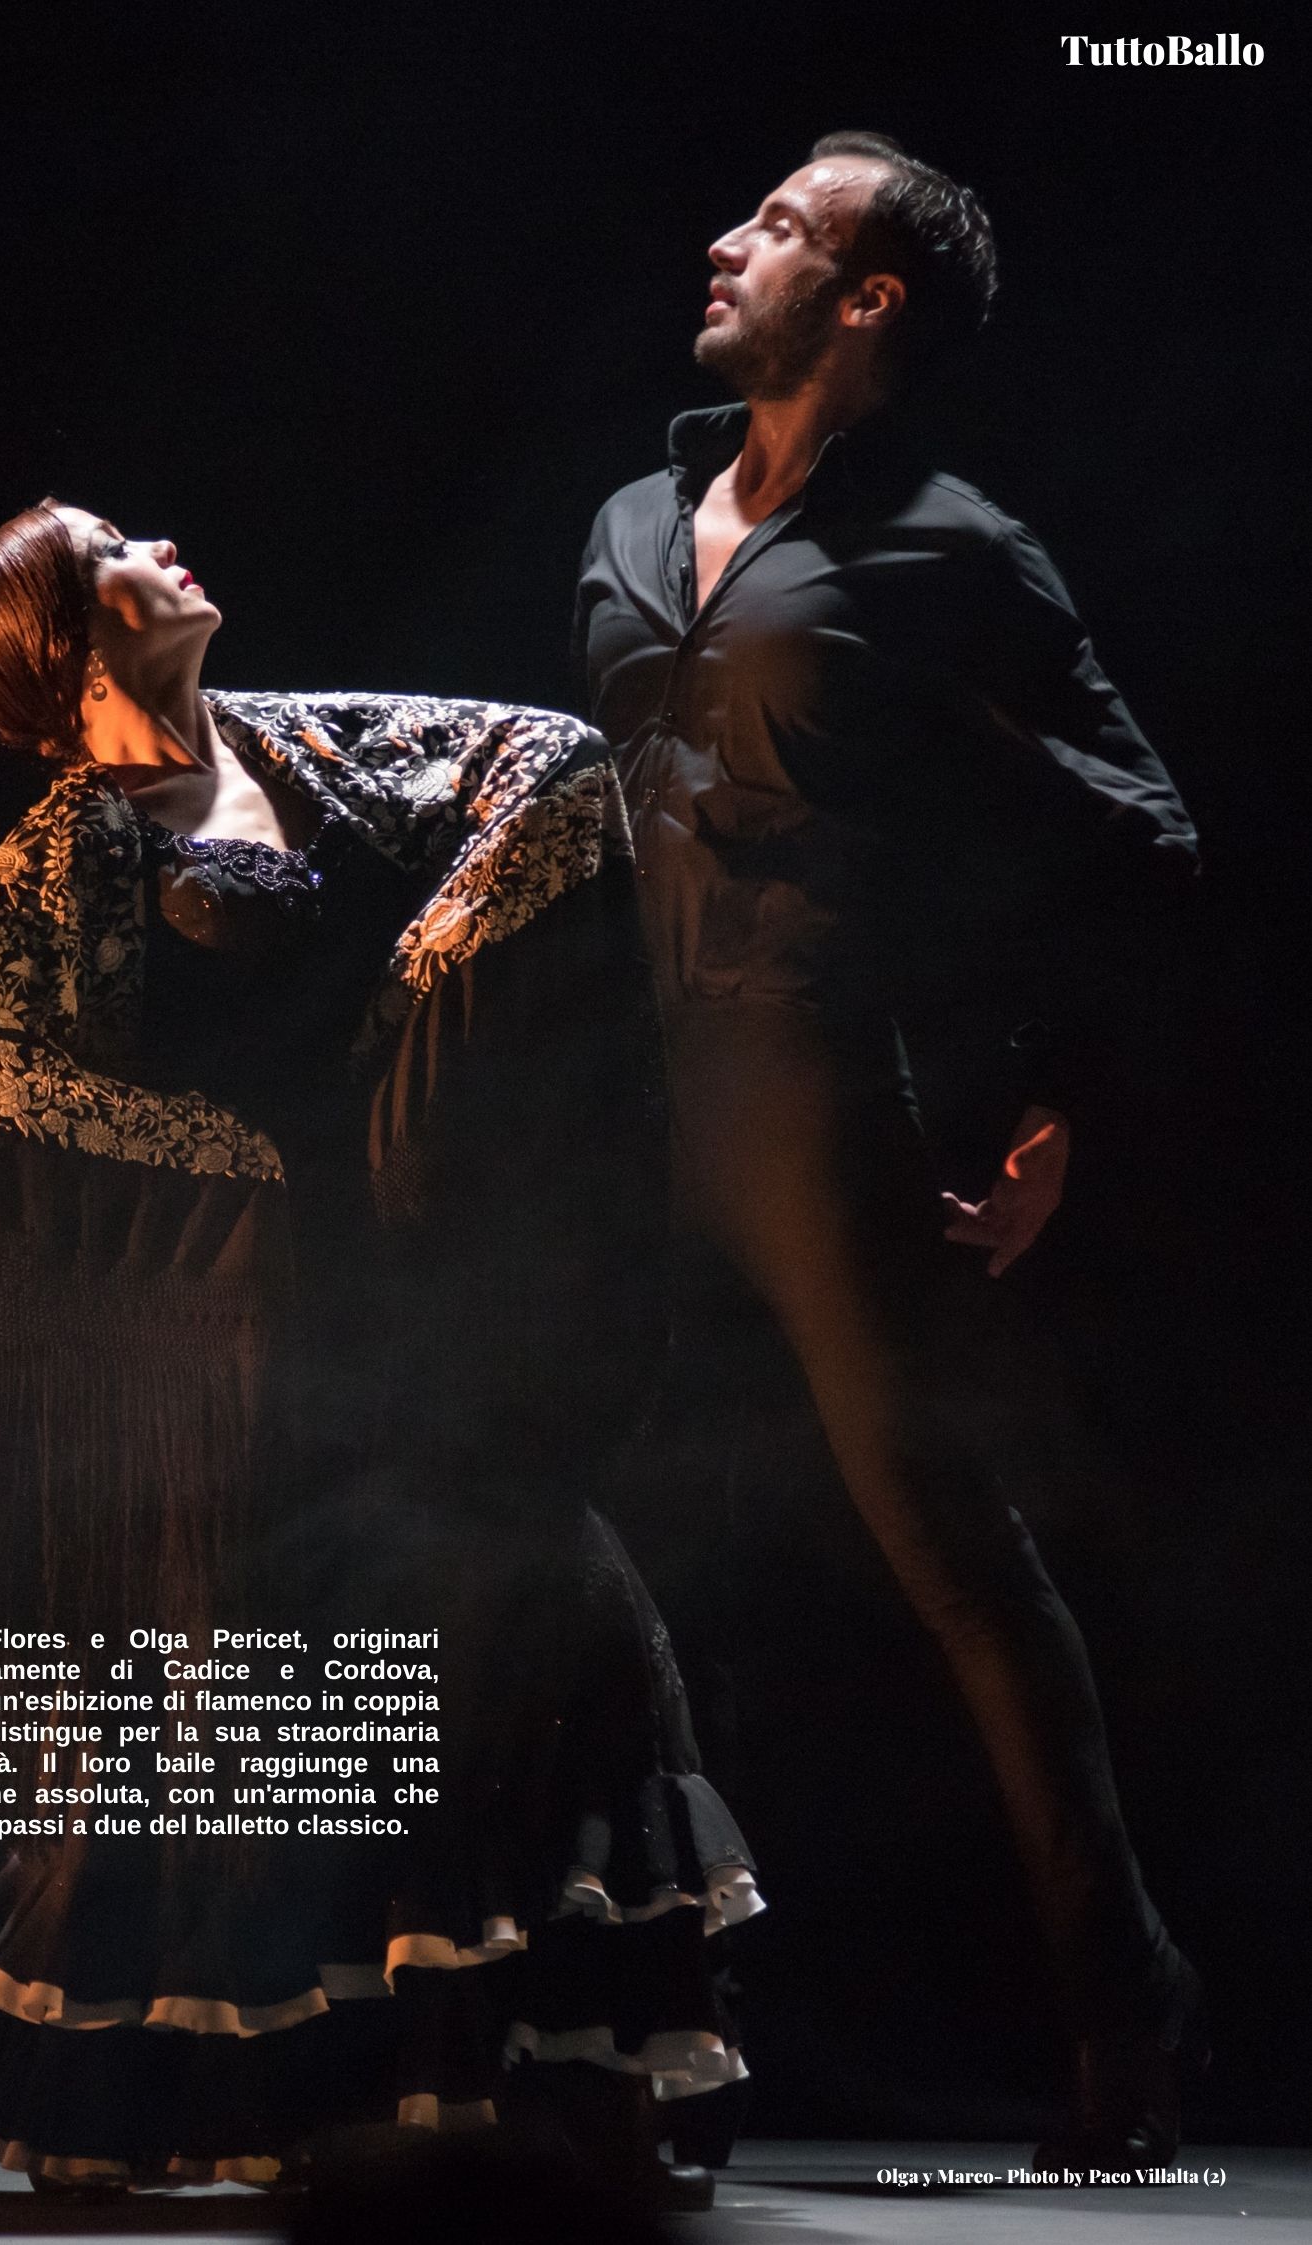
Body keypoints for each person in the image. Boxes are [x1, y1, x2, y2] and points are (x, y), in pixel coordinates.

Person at [0, 500, 761, 2201]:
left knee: (549, 1614)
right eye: (113, 545)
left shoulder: (304, 744)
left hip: (407, 1319)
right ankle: (276, 2084)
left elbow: (551, 761)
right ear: (70, 642)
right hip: (259, 1363)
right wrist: (225, 1169)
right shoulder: (76, 844)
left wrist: (443, 957)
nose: (162, 545)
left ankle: (520, 2073)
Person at [573, 131, 1205, 2169]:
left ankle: (1124, 2010)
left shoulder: (952, 549)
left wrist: (1049, 1110)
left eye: (775, 226)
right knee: (597, 1563)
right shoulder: (631, 519)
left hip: (813, 1104)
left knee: (950, 1556)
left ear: (867, 301)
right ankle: (633, 2033)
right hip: (615, 1114)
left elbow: (1135, 831)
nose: (723, 238)